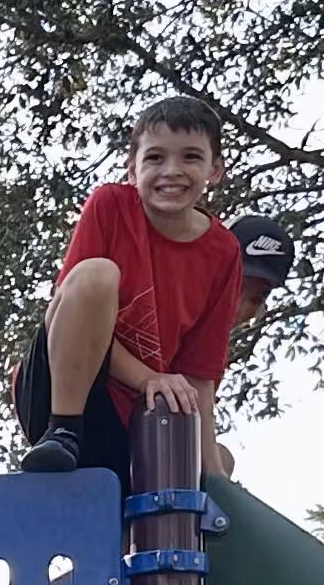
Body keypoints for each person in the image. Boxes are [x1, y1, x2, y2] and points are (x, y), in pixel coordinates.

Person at [18, 95, 244, 480]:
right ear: (131, 169)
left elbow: (199, 376)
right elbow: (68, 306)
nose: (171, 171)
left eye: (190, 157)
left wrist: (216, 482)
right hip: (63, 388)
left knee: (216, 463)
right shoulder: (111, 205)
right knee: (96, 275)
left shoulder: (223, 251)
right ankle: (62, 433)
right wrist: (147, 378)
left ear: (215, 170)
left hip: (133, 416)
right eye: (155, 158)